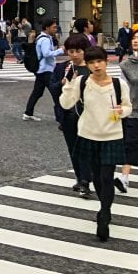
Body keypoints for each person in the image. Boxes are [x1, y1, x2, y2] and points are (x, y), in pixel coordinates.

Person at [59, 46, 132, 241]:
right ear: (88, 65)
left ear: (106, 62)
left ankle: (104, 214)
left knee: (107, 177)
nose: (96, 65)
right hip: (88, 135)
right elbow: (66, 104)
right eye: (91, 62)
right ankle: (105, 208)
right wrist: (67, 86)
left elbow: (128, 106)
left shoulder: (118, 84)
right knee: (97, 178)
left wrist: (121, 111)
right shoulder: (82, 82)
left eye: (99, 61)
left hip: (111, 136)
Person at [52, 33, 94, 198]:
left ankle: (86, 180)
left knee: (86, 148)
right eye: (71, 51)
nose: (75, 55)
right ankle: (81, 178)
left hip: (89, 115)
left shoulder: (92, 68)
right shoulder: (63, 68)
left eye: (78, 51)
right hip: (68, 115)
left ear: (85, 50)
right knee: (74, 149)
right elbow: (53, 90)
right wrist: (62, 83)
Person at [24, 18, 63, 121]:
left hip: (41, 70)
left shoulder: (41, 37)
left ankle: (28, 113)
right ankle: (61, 116)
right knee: (56, 92)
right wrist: (60, 51)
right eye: (54, 27)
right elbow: (46, 54)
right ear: (47, 28)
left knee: (37, 92)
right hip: (46, 70)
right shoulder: (45, 39)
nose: (56, 29)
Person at [117, 33, 138, 194]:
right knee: (130, 144)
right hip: (133, 110)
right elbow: (121, 87)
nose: (136, 41)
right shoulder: (125, 65)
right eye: (134, 39)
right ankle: (124, 178)